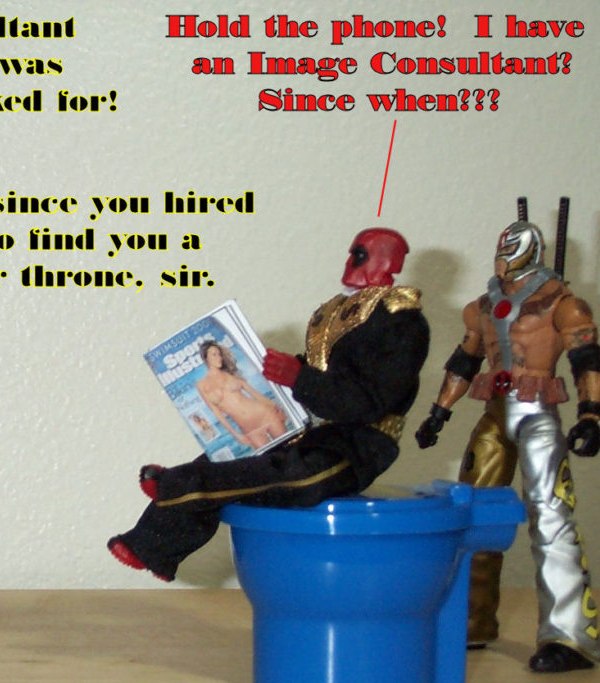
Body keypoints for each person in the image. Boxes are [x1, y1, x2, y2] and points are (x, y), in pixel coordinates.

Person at [109, 228, 429, 581]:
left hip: (362, 442)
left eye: (361, 254)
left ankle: (177, 484)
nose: (350, 262)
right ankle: (149, 545)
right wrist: (280, 376)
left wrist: (299, 379)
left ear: (386, 262)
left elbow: (371, 401)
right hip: (314, 424)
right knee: (239, 458)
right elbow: (322, 368)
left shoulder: (400, 320)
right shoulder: (337, 310)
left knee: (300, 477)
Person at [415, 220, 600, 673]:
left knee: (551, 516)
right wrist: (439, 412)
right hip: (494, 413)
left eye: (511, 249)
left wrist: (590, 414)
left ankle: (569, 636)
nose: (502, 257)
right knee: (471, 512)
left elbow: (586, 358)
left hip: (537, 413)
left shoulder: (562, 304)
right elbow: (464, 361)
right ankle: (469, 621)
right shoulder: (483, 306)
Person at [196, 341, 287, 449]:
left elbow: (254, 394)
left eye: (219, 354)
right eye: (214, 354)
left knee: (290, 449)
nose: (219, 358)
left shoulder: (230, 375)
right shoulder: (202, 385)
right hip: (250, 430)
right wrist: (236, 435)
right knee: (269, 457)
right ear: (206, 358)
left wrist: (275, 407)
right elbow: (217, 413)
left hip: (266, 415)